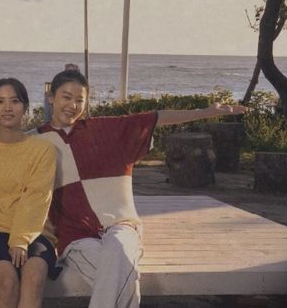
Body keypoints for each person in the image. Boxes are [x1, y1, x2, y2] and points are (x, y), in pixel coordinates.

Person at [35, 64, 248, 308]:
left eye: (79, 99)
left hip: (121, 225)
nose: (73, 105)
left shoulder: (106, 129)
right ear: (51, 97)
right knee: (124, 278)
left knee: (117, 251)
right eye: (66, 97)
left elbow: (156, 118)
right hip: (76, 237)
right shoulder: (34, 141)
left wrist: (207, 112)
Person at [0, 78, 57, 308]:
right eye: (0, 101)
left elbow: (37, 197)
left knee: (34, 276)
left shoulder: (43, 150)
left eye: (15, 101)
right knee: (8, 281)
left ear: (25, 107)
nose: (7, 108)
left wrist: (20, 240)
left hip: (35, 232)